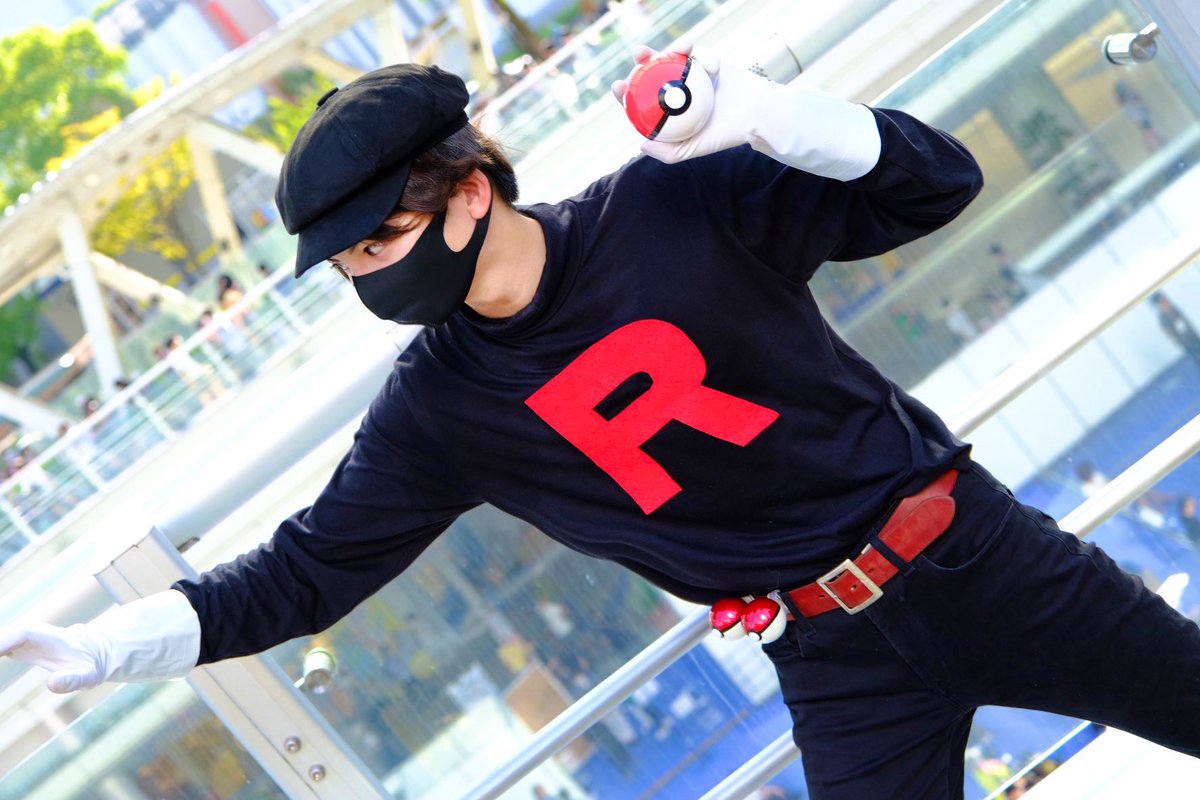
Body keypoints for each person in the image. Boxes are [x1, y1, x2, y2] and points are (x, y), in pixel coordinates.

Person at [3, 48, 1199, 800]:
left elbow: (936, 183)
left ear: (470, 190)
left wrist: (769, 114)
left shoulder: (674, 201)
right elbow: (303, 572)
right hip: (834, 657)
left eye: (380, 242)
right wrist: (103, 648)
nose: (367, 275)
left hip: (978, 556)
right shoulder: (438, 407)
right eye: (348, 261)